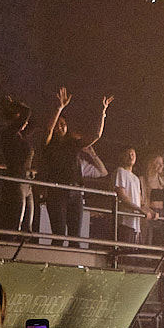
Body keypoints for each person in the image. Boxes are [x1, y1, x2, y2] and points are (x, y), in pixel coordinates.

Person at [41, 86, 111, 245]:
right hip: (57, 191)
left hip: (76, 192)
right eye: (58, 124)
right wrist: (59, 108)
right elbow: (48, 130)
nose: (60, 127)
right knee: (58, 235)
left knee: (75, 237)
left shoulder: (72, 143)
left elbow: (96, 136)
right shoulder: (49, 144)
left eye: (63, 124)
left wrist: (103, 113)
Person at [0, 95, 35, 233]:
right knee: (16, 223)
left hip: (27, 181)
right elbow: (27, 112)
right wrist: (15, 104)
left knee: (28, 227)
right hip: (16, 180)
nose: (25, 122)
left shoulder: (22, 136)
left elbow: (33, 122)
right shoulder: (8, 134)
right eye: (20, 119)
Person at [110, 145, 152, 242]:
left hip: (135, 223)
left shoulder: (136, 178)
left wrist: (151, 211)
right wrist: (139, 209)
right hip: (124, 222)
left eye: (133, 154)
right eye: (127, 154)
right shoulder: (120, 172)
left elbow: (140, 201)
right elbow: (122, 196)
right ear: (122, 157)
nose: (130, 157)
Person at [142, 151, 164, 245]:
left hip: (162, 217)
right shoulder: (142, 180)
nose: (161, 166)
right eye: (158, 163)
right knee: (147, 243)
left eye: (162, 163)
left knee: (160, 244)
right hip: (149, 215)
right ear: (151, 164)